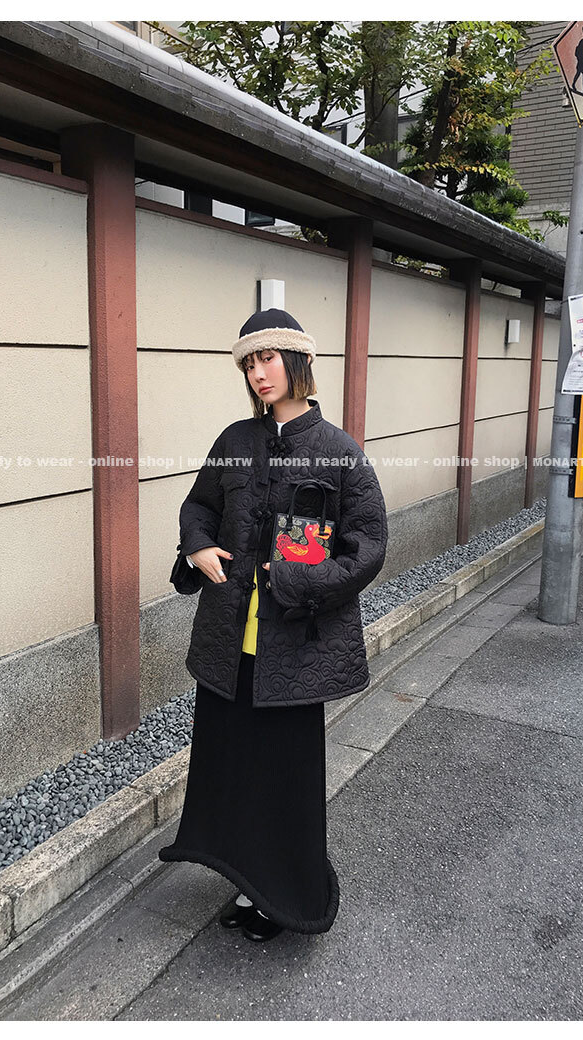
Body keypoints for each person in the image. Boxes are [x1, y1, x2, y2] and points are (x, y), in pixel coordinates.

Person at [160, 307, 388, 942]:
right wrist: (197, 547)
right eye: (249, 364)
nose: (259, 373)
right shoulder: (235, 442)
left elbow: (368, 546)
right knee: (233, 771)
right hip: (230, 645)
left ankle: (288, 895)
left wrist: (294, 582)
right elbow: (198, 506)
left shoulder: (339, 451)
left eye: (268, 359)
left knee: (284, 781)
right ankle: (246, 879)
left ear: (298, 362)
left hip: (296, 646)